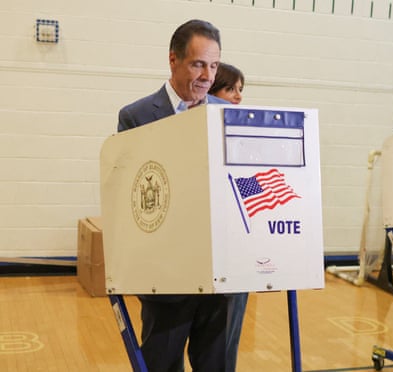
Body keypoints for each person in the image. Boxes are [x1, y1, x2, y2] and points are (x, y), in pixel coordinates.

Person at [118, 19, 229, 372]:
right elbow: (130, 197)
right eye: (198, 64)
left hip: (220, 273)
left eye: (213, 66)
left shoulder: (226, 115)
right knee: (162, 364)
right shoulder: (136, 117)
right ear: (173, 60)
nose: (207, 76)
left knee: (217, 365)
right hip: (165, 276)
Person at [208, 62, 247, 372]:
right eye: (230, 89)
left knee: (222, 353)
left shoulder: (245, 136)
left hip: (234, 254)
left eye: (240, 90)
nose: (237, 96)